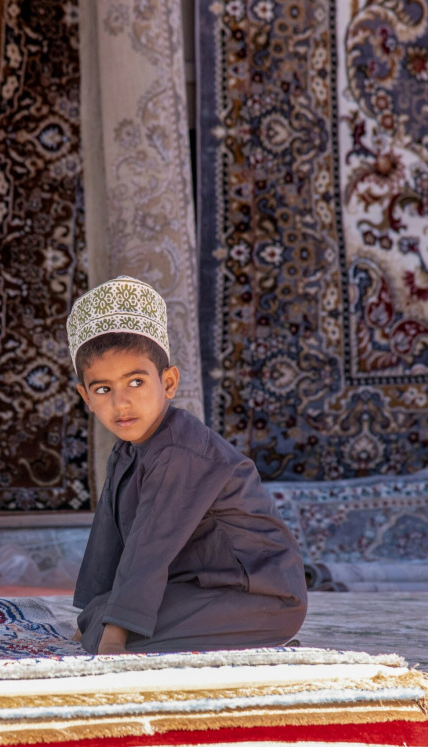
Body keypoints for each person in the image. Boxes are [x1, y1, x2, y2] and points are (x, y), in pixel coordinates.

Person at [67, 275, 307, 654]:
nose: (121, 403)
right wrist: (89, 615)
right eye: (103, 389)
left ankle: (256, 634)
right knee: (98, 617)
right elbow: (108, 536)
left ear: (169, 382)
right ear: (86, 396)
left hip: (259, 596)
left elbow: (150, 546)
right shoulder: (128, 449)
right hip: (198, 584)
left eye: (136, 382)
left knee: (113, 629)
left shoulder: (180, 451)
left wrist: (112, 639)